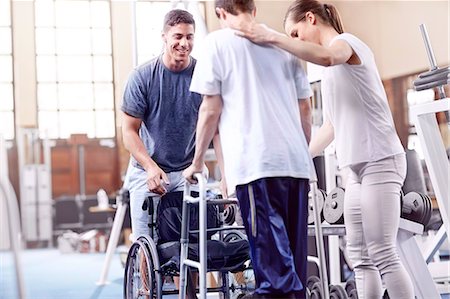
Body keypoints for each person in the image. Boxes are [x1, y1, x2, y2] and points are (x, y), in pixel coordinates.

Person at [232, 1, 414, 298]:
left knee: (383, 253)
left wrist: (273, 37)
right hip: (353, 167)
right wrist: (296, 158)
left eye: (295, 33)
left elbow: (330, 57)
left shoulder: (345, 44)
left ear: (310, 18)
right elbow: (330, 127)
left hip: (380, 160)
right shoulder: (327, 70)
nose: (295, 40)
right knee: (359, 257)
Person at [183, 0, 314, 297]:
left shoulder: (215, 43)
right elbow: (305, 108)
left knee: (273, 274)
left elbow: (210, 110)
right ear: (254, 10)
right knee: (292, 264)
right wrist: (299, 151)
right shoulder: (283, 43)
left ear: (220, 13)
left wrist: (197, 161)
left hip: (258, 167)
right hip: (296, 165)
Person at [121, 8, 202, 242]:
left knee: (191, 247)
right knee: (147, 244)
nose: (184, 43)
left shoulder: (202, 74)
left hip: (187, 171)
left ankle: (185, 281)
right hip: (147, 171)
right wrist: (150, 166)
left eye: (189, 37)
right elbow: (129, 130)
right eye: (178, 36)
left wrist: (224, 175)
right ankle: (147, 277)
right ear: (164, 37)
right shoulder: (142, 76)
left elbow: (215, 129)